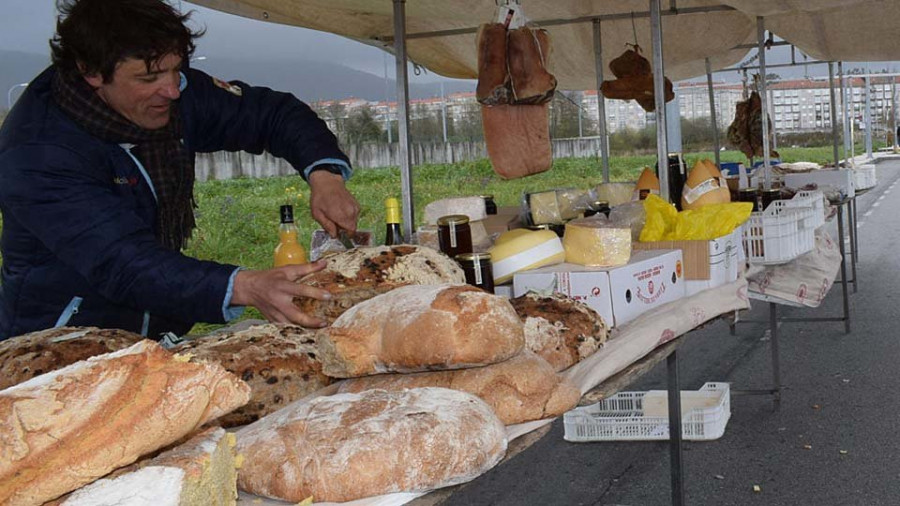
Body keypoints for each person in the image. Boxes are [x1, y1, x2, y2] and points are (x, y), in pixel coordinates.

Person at [0, 0, 361, 340]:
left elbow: (273, 115)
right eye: (149, 77)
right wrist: (244, 286)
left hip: (154, 330)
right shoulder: (37, 153)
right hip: (62, 341)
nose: (172, 90)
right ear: (91, 72)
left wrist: (324, 175)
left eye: (176, 69)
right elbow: (124, 263)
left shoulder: (181, 93)